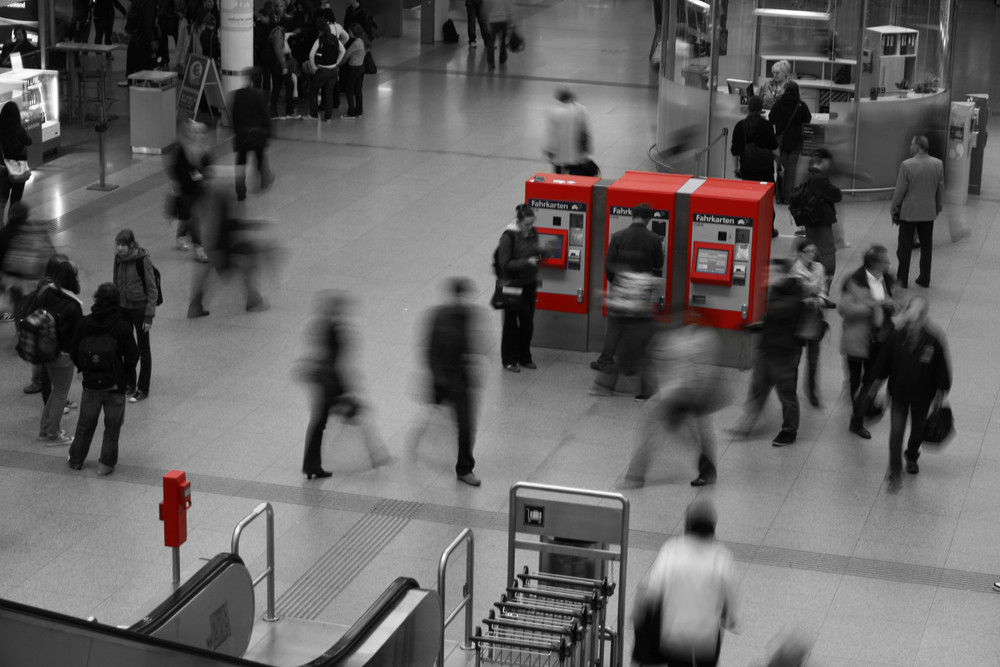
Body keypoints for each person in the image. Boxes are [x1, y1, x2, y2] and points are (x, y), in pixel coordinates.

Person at [631, 501, 738, 666]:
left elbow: (654, 590)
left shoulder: (672, 551)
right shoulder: (722, 557)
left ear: (687, 527)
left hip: (676, 636)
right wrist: (732, 618)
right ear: (712, 529)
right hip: (707, 637)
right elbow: (730, 593)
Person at [300, 290, 391, 479]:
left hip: (324, 382)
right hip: (333, 385)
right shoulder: (336, 330)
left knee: (319, 423)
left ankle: (311, 465)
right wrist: (349, 386)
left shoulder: (321, 326)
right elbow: (338, 362)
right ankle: (377, 457)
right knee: (355, 413)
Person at [863, 296, 950, 492]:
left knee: (918, 431)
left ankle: (911, 455)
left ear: (923, 319)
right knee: (895, 434)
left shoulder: (934, 341)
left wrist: (941, 391)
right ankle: (895, 473)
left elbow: (941, 369)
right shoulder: (895, 338)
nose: (911, 325)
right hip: (899, 396)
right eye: (909, 320)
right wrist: (875, 385)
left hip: (922, 397)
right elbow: (883, 363)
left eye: (915, 321)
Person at [624, 322, 725, 488]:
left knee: (652, 421)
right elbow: (659, 369)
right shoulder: (669, 338)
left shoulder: (701, 338)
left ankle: (636, 475)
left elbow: (704, 371)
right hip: (678, 392)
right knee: (686, 430)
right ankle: (707, 470)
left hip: (687, 393)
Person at [411, 278, 484, 487]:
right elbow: (431, 351)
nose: (461, 301)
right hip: (443, 379)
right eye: (458, 297)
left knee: (466, 425)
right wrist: (439, 378)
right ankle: (418, 439)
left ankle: (464, 468)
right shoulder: (438, 317)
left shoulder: (469, 315)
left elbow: (472, 343)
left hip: (462, 380)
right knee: (434, 415)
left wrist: (474, 364)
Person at [589, 202, 663, 399]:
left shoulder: (618, 236)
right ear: (648, 218)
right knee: (637, 336)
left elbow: (608, 266)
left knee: (614, 328)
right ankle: (641, 380)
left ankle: (605, 361)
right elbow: (658, 265)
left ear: (632, 215)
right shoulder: (655, 239)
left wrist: (616, 285)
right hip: (641, 294)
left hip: (619, 289)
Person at [67, 283, 139, 476]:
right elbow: (133, 356)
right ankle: (105, 465)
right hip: (115, 386)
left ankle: (76, 460)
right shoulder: (122, 327)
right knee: (112, 428)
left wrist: (86, 369)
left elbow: (74, 352)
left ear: (97, 299)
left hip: (91, 385)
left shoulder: (84, 323)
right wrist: (124, 375)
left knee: (85, 424)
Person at [733, 261, 804, 447]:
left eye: (771, 274)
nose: (767, 278)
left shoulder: (795, 294)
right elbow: (772, 319)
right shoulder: (776, 292)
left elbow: (781, 313)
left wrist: (766, 319)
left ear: (784, 275)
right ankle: (748, 423)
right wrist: (756, 326)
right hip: (767, 350)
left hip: (786, 355)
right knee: (758, 388)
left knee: (786, 394)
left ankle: (789, 431)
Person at [839, 245, 897, 439]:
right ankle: (858, 413)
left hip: (880, 340)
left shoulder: (888, 279)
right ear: (874, 264)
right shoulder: (853, 281)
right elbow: (845, 310)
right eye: (885, 260)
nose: (888, 263)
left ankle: (857, 419)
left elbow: (896, 305)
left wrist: (891, 305)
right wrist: (874, 306)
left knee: (872, 381)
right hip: (857, 340)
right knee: (855, 382)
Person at [188, 191, 272, 317]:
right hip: (222, 247)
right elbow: (227, 225)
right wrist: (251, 224)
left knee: (210, 274)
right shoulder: (220, 199)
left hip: (216, 246)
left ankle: (195, 305)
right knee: (249, 260)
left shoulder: (210, 199)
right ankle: (252, 300)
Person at [34, 260, 84, 446]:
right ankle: (53, 435)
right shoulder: (73, 305)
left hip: (46, 350)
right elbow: (79, 333)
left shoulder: (46, 293)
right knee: (61, 393)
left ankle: (44, 430)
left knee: (56, 391)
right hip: (64, 355)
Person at [890, 135, 944, 288]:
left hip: (909, 213)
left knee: (905, 247)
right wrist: (938, 206)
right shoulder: (938, 164)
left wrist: (893, 206)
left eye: (911, 144)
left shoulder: (907, 165)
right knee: (927, 247)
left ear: (917, 147)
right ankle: (925, 278)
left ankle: (902, 279)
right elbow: (940, 188)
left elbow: (900, 190)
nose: (910, 147)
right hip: (928, 212)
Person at [113, 229, 158, 403]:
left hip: (139, 309)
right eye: (117, 244)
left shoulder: (142, 260)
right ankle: (129, 383)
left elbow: (152, 288)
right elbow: (116, 283)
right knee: (126, 348)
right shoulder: (118, 259)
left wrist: (149, 317)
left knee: (143, 349)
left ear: (131, 244)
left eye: (123, 245)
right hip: (123, 308)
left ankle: (143, 388)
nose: (119, 248)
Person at [496, 204, 541, 372]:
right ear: (519, 222)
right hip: (512, 285)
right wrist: (526, 261)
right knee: (510, 323)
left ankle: (525, 357)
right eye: (527, 224)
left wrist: (540, 255)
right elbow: (505, 264)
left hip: (529, 283)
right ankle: (509, 359)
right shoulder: (508, 237)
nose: (529, 228)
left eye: (531, 224)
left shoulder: (533, 233)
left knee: (527, 321)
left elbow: (535, 250)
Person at [788, 240, 828, 408]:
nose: (812, 254)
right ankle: (791, 392)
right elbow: (794, 296)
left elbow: (822, 289)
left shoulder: (819, 267)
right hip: (797, 320)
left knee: (813, 359)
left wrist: (819, 298)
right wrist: (810, 295)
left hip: (814, 318)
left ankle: (811, 391)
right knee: (795, 360)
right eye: (808, 251)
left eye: (814, 251)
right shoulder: (793, 272)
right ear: (799, 254)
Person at [731, 96, 778, 237]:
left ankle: (748, 228)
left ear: (748, 108)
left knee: (749, 199)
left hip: (747, 168)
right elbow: (775, 150)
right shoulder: (767, 125)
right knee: (767, 201)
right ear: (761, 108)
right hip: (765, 170)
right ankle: (769, 230)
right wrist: (779, 166)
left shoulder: (740, 126)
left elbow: (735, 151)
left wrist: (736, 168)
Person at [0, 203, 53, 323]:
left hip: (11, 279)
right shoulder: (33, 230)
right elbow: (48, 253)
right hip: (32, 278)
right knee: (34, 304)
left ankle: (20, 330)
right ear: (26, 216)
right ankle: (34, 327)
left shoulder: (4, 232)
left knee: (17, 304)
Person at [797, 148, 841, 280]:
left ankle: (812, 287)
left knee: (813, 252)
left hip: (810, 221)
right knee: (827, 255)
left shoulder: (808, 175)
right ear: (824, 160)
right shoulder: (820, 178)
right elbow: (837, 195)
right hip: (821, 223)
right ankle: (823, 293)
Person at [171, 119, 211, 262]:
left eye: (198, 132)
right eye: (193, 132)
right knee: (194, 217)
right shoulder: (182, 149)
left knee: (189, 216)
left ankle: (181, 235)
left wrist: (202, 175)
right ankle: (198, 248)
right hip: (185, 190)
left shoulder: (204, 149)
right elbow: (175, 171)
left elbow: (209, 168)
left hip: (199, 190)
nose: (196, 135)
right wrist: (188, 177)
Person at [768, 80, 811, 205]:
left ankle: (778, 196)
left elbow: (771, 118)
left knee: (780, 169)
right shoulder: (801, 105)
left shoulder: (778, 103)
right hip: (796, 143)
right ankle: (788, 197)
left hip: (781, 142)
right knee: (791, 171)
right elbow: (807, 120)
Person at [231, 81, 274, 201]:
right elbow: (265, 115)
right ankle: (264, 182)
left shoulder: (237, 94)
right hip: (257, 135)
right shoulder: (258, 95)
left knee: (241, 162)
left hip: (242, 136)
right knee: (259, 158)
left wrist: (237, 132)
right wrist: (269, 131)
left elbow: (234, 115)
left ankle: (240, 190)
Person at [543, 87, 594, 175]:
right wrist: (586, 148)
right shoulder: (581, 110)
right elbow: (585, 131)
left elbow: (552, 134)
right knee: (575, 175)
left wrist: (550, 149)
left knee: (558, 175)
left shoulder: (553, 111)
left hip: (559, 153)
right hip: (577, 153)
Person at [0, 100, 32, 225]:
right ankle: (11, 227)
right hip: (19, 170)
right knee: (16, 201)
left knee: (1, 201)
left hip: (2, 169)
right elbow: (29, 142)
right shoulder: (19, 130)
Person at [307, 21, 344, 120]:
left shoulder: (320, 40)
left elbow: (311, 54)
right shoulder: (335, 38)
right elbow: (343, 50)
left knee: (313, 91)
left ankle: (313, 115)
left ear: (321, 31)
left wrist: (314, 67)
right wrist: (337, 63)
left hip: (323, 69)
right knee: (329, 93)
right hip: (333, 70)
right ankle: (328, 116)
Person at [123, 0, 158, 84]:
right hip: (143, 37)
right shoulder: (150, 3)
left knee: (133, 59)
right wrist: (151, 39)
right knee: (142, 63)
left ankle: (131, 80)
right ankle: (142, 83)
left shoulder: (137, 2)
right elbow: (148, 22)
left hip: (135, 34)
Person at [341, 23, 368, 119]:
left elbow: (346, 55)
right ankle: (359, 111)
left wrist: (338, 64)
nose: (349, 33)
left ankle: (351, 112)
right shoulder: (363, 41)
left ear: (354, 32)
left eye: (350, 32)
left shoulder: (356, 43)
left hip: (354, 68)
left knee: (349, 89)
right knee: (358, 90)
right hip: (360, 67)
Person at [485, 0, 513, 69]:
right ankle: (502, 58)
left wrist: (487, 21)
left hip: (493, 21)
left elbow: (486, 8)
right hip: (503, 21)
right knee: (502, 41)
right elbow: (509, 9)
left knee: (491, 43)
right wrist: (511, 23)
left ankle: (491, 63)